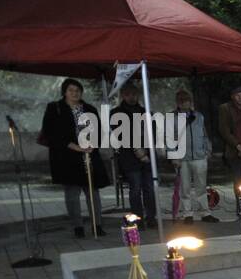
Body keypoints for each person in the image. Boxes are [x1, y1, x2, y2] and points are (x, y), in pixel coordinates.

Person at [42, 78, 107, 238]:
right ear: (64, 92)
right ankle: (78, 226)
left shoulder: (89, 109)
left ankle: (96, 224)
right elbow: (51, 133)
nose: (75, 93)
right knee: (72, 193)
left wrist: (92, 145)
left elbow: (99, 131)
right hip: (67, 157)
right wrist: (75, 147)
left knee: (93, 192)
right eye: (71, 90)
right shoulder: (55, 108)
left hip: (89, 155)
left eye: (77, 90)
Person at [112, 82, 156, 227]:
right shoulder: (116, 113)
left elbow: (153, 133)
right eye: (128, 94)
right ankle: (138, 219)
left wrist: (146, 151)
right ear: (123, 95)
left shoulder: (146, 112)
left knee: (149, 188)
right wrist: (137, 149)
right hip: (129, 158)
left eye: (134, 94)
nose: (132, 97)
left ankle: (151, 217)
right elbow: (121, 135)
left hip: (147, 156)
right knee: (135, 189)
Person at [173, 89, 218, 224]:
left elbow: (204, 134)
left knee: (201, 186)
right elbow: (169, 139)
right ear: (177, 102)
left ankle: (205, 212)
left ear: (190, 101)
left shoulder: (198, 116)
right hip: (182, 158)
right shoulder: (172, 118)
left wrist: (208, 150)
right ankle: (187, 213)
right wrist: (174, 157)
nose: (184, 103)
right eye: (181, 100)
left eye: (186, 100)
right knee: (185, 187)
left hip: (199, 156)